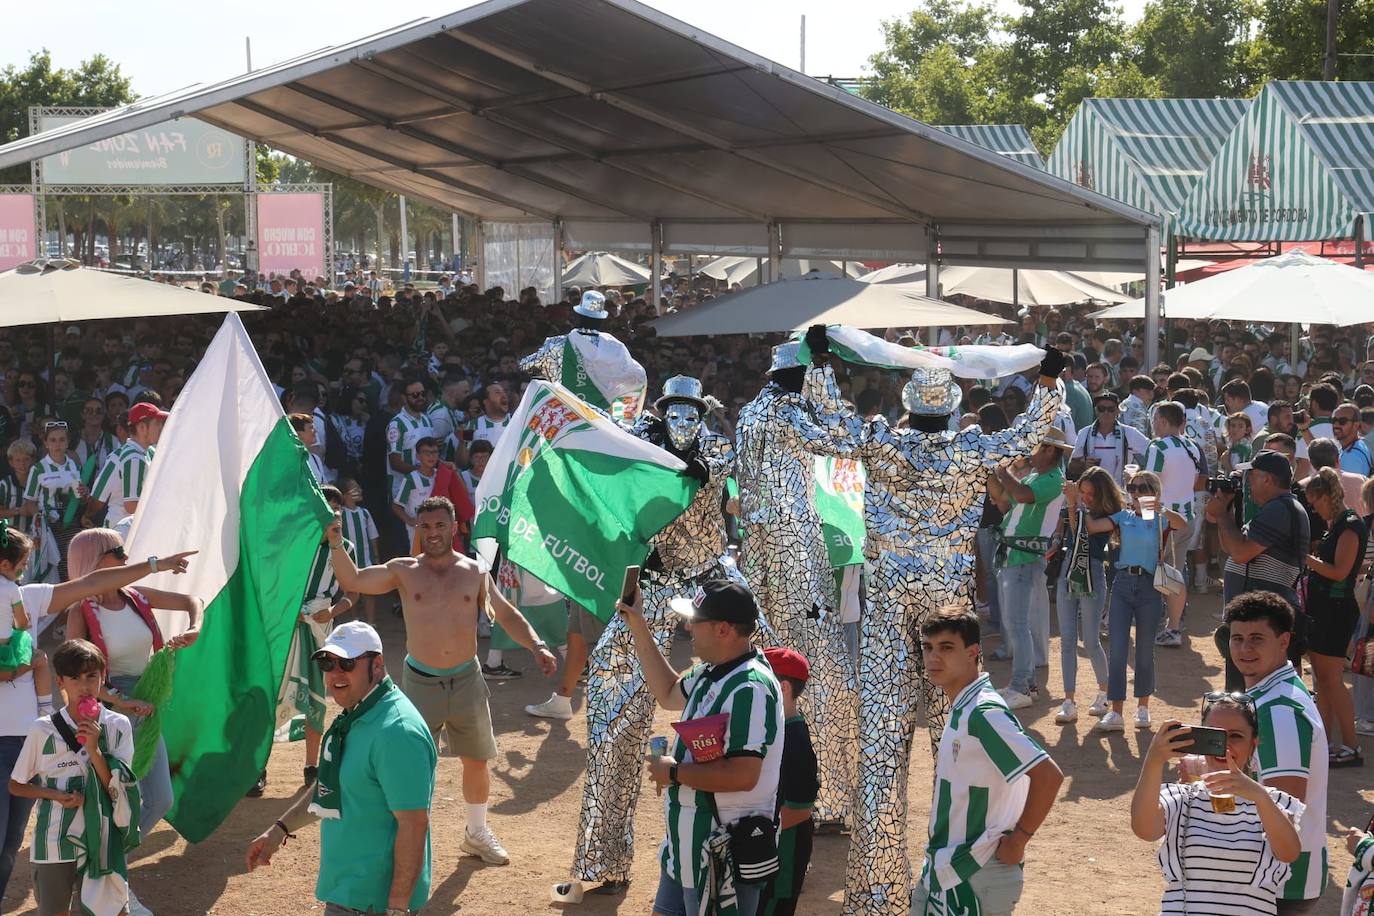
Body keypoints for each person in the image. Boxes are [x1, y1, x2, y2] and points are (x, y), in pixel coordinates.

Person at [807, 342, 1064, 916]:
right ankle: (955, 867)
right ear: (951, 407)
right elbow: (1030, 439)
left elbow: (829, 424)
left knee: (881, 744)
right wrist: (1047, 381)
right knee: (957, 748)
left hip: (891, 596)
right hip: (947, 603)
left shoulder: (883, 441)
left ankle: (876, 893)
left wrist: (823, 366)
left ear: (906, 403)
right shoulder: (972, 448)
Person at [552, 374, 740, 902]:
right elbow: (598, 447)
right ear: (662, 415)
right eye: (673, 412)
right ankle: (604, 859)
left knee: (767, 684)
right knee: (611, 718)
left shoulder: (719, 454)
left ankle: (764, 830)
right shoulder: (641, 450)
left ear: (703, 415)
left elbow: (717, 484)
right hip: (651, 588)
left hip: (711, 587)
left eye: (692, 413)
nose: (683, 422)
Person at [327, 496, 557, 867]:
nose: (433, 533)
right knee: (412, 762)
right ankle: (405, 835)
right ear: (418, 529)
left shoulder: (474, 571)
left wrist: (537, 645)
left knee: (477, 759)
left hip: (466, 678)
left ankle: (476, 833)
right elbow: (353, 579)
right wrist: (336, 541)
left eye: (439, 526)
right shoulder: (403, 569)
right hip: (420, 681)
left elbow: (505, 613)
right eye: (426, 526)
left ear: (454, 527)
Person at [0, 528, 191, 910]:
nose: (21, 574)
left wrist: (157, 565)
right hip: (33, 733)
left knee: (10, 841)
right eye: (18, 567)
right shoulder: (37, 601)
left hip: (26, 734)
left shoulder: (27, 596)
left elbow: (95, 582)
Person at [734, 340, 856, 826]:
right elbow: (842, 438)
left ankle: (769, 786)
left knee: (766, 669)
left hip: (760, 554)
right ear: (804, 377)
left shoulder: (748, 414)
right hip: (798, 554)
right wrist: (826, 376)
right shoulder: (791, 413)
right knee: (824, 675)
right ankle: (826, 796)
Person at [245, 622, 437, 916]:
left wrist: (397, 908)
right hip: (348, 890)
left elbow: (413, 825)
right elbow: (331, 784)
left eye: (347, 663)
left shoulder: (398, 733)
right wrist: (278, 830)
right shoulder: (358, 714)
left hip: (372, 902)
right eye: (327, 663)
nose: (335, 673)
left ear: (377, 665)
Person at [621, 580, 783, 916]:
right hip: (685, 850)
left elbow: (743, 774)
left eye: (696, 621)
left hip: (722, 855)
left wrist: (675, 772)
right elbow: (667, 692)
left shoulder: (749, 688)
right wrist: (638, 624)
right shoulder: (712, 671)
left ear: (723, 629)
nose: (688, 627)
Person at [912, 609, 1063, 916]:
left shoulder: (984, 714)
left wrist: (1019, 841)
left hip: (973, 872)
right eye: (928, 647)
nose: (933, 657)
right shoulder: (964, 706)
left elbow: (1048, 775)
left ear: (973, 653)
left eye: (946, 647)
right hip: (946, 869)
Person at [63, 528, 202, 842]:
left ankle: (110, 865)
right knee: (118, 798)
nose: (126, 557)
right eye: (118, 552)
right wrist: (120, 700)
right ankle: (104, 872)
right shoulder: (81, 611)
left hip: (147, 703)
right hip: (108, 711)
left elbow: (194, 600)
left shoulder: (136, 596)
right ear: (94, 562)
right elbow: (75, 676)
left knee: (160, 799)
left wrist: (195, 628)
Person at [1130, 695, 1303, 915]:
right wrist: (1154, 760)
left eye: (1236, 736)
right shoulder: (1181, 798)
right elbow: (1143, 829)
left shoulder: (1272, 801)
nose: (1225, 745)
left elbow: (1288, 852)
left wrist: (1259, 796)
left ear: (1254, 743)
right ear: (1200, 739)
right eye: (1215, 736)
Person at [9, 638, 138, 916]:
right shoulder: (42, 730)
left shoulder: (118, 726)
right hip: (55, 840)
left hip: (103, 838)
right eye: (74, 678)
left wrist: (94, 751)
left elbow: (120, 790)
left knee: (112, 912)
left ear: (103, 677)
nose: (84, 686)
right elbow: (16, 785)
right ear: (60, 682)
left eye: (92, 676)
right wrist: (55, 795)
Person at [1224, 591, 1330, 910]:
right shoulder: (1277, 695)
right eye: (1237, 638)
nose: (1245, 649)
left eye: (1257, 638)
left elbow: (1286, 807)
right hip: (1280, 877)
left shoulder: (1278, 710)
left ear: (1284, 641)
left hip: (1278, 881)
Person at [1077, 470, 1187, 732]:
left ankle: (1143, 707)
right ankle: (1116, 712)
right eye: (1132, 487)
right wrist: (1077, 502)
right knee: (1118, 650)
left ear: (1154, 492)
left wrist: (1163, 509)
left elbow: (1182, 524)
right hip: (1124, 583)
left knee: (1145, 651)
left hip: (1150, 586)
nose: (1136, 492)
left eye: (1142, 488)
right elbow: (1092, 527)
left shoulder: (1160, 518)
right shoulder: (1123, 517)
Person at [270, 486, 358, 792]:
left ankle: (311, 765)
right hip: (285, 628)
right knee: (274, 691)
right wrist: (286, 610)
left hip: (321, 628)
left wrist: (333, 609)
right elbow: (271, 585)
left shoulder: (344, 547)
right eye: (327, 511)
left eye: (337, 512)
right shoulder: (294, 543)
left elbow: (353, 591)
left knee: (318, 696)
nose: (333, 517)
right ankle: (259, 766)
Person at [989, 426, 1075, 709]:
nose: (1029, 452)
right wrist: (1001, 472)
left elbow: (1022, 496)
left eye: (1035, 446)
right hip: (1016, 555)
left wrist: (1002, 469)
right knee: (1017, 623)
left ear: (1050, 450)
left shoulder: (1053, 478)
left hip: (1022, 557)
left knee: (1017, 624)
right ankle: (1027, 685)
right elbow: (1007, 502)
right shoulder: (1041, 475)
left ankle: (1021, 686)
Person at [1300, 467, 1368, 767]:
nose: (1314, 509)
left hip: (1336, 612)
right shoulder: (1338, 523)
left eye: (1315, 503)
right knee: (1324, 681)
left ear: (1327, 497)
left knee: (1332, 681)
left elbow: (1340, 572)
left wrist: (1307, 559)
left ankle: (1351, 747)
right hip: (1324, 609)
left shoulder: (1350, 526)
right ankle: (1325, 743)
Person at [519, 290, 647, 422]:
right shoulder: (614, 347)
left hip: (567, 422)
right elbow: (637, 377)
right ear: (602, 320)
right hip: (605, 424)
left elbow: (525, 366)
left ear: (576, 316)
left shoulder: (556, 345)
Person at [1208, 450, 1310, 614]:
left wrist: (1220, 515)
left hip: (1262, 617)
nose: (1247, 482)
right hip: (1257, 614)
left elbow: (1240, 554)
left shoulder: (1279, 509)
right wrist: (1226, 509)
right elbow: (1230, 548)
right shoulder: (1277, 507)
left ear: (1267, 480)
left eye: (1252, 476)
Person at [757, 647, 818, 916]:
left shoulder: (795, 741)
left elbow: (800, 809)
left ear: (781, 688)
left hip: (782, 858)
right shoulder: (774, 729)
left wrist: (755, 833)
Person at [1055, 465, 1117, 723]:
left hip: (1092, 571)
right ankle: (1069, 701)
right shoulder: (1075, 507)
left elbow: (1086, 529)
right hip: (1069, 569)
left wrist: (1072, 503)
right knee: (1067, 639)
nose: (1086, 497)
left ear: (1102, 494)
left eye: (1091, 493)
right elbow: (1067, 527)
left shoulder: (1109, 513)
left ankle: (1105, 693)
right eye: (1083, 491)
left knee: (1091, 641)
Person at [1142, 401, 1205, 648]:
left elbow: (1149, 486)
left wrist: (1144, 521)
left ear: (1163, 421)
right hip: (1186, 519)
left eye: (1156, 419)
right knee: (1173, 575)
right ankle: (1174, 627)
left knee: (1147, 572)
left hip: (1162, 521)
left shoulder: (1157, 447)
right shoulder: (1193, 447)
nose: (1154, 423)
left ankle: (1154, 623)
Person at [96, 402, 167, 537]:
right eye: (157, 423)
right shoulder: (134, 458)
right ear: (142, 427)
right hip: (123, 532)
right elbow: (131, 506)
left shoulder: (148, 451)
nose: (161, 427)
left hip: (130, 528)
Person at [385, 378, 436, 495]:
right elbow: (395, 463)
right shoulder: (396, 424)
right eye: (415, 395)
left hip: (427, 487)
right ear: (404, 398)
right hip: (403, 489)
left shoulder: (427, 420)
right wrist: (422, 472)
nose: (420, 398)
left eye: (423, 394)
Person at [1333, 402, 1374, 476]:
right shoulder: (1360, 443)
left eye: (1342, 421)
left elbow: (1350, 487)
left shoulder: (1351, 457)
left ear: (1356, 425)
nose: (1336, 425)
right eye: (1333, 420)